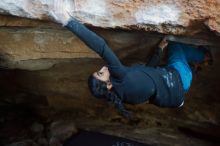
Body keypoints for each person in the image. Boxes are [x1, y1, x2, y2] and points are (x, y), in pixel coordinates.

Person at [50, 1, 213, 117]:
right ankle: (203, 55)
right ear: (108, 84)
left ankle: (195, 62)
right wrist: (67, 21)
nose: (104, 68)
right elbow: (100, 46)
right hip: (179, 78)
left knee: (167, 50)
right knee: (176, 45)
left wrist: (158, 51)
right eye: (101, 73)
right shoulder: (120, 75)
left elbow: (148, 78)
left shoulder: (122, 97)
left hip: (176, 95)